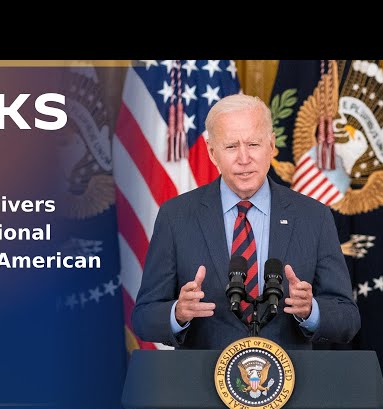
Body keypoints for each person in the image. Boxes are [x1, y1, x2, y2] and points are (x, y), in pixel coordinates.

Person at [132, 93, 360, 350]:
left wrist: (311, 310)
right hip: (201, 383)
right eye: (231, 146)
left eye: (253, 144)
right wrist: (177, 313)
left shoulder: (313, 217)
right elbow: (144, 317)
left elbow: (348, 318)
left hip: (291, 383)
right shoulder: (176, 216)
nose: (243, 158)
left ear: (271, 146)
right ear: (212, 152)